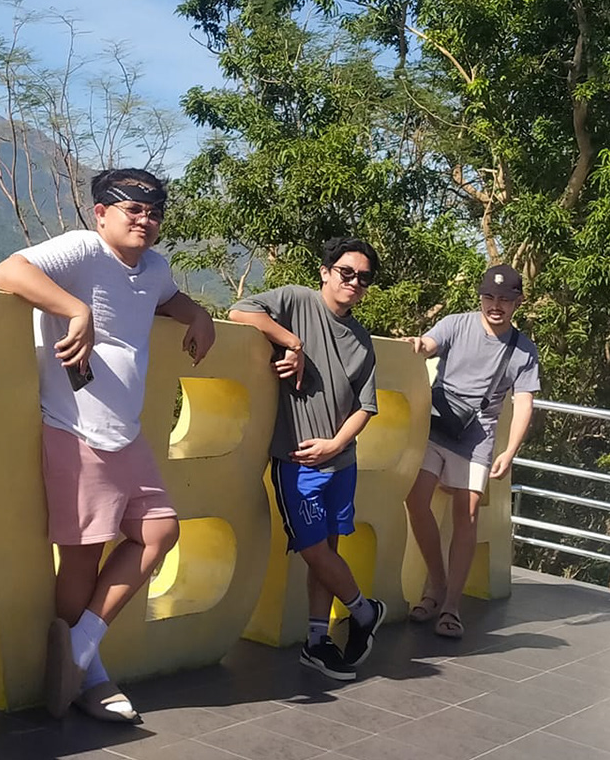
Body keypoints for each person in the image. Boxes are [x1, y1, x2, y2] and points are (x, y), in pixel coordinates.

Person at [0, 168, 216, 724]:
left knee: (160, 532)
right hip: (75, 429)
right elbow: (7, 271)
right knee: (83, 557)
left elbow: (168, 298)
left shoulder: (154, 267)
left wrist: (197, 314)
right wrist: (76, 310)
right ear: (101, 214)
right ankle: (89, 679)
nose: (145, 219)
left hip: (127, 433)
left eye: (154, 211)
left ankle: (79, 646)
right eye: (133, 209)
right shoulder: (83, 250)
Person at [227, 238, 387, 681]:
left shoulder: (362, 340)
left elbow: (366, 407)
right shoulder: (297, 301)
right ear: (325, 272)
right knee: (314, 549)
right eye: (346, 272)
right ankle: (365, 611)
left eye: (363, 277)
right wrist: (292, 343)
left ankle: (316, 642)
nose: (354, 282)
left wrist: (336, 445)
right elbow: (239, 311)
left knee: (327, 553)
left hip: (341, 460)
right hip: (297, 461)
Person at [403, 264, 538, 638]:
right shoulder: (456, 324)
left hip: (477, 437)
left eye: (505, 299)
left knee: (468, 516)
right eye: (489, 297)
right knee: (416, 499)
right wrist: (417, 345)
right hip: (436, 425)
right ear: (480, 297)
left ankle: (450, 606)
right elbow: (428, 344)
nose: (496, 305)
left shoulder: (523, 350)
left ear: (517, 302)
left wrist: (510, 451)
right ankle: (437, 583)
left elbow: (524, 403)